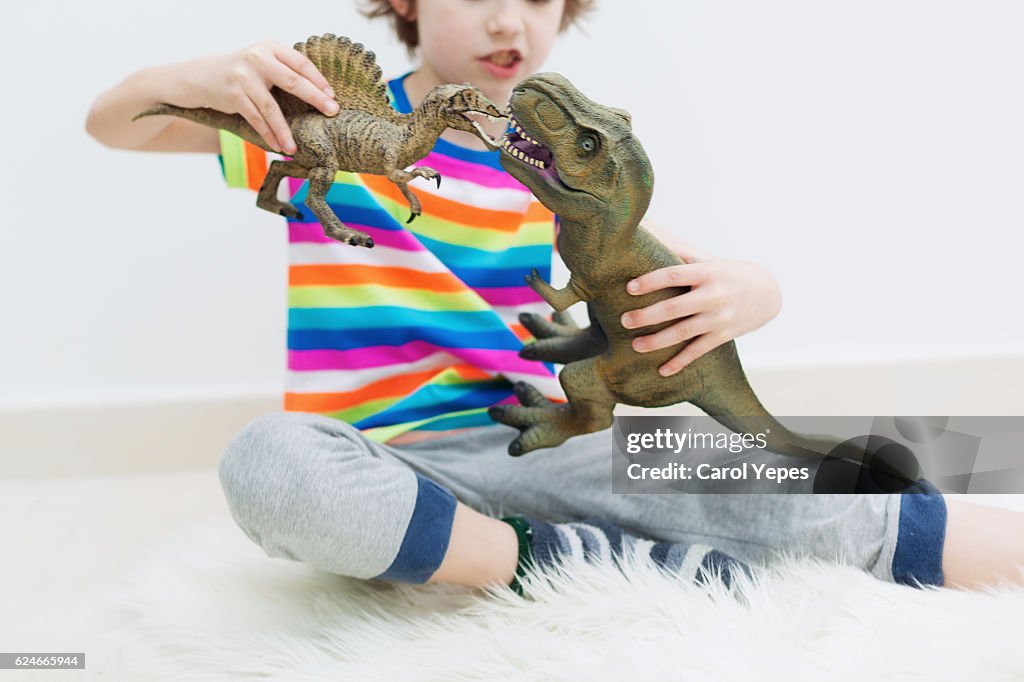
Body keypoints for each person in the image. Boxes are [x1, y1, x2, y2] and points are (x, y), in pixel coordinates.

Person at [86, 0, 1024, 597]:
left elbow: (676, 263)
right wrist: (192, 80)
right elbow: (116, 126)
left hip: (550, 445)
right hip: (379, 458)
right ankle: (569, 566)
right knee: (268, 463)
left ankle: (550, 540)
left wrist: (756, 289)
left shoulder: (542, 167)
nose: (511, 24)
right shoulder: (317, 131)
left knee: (803, 485)